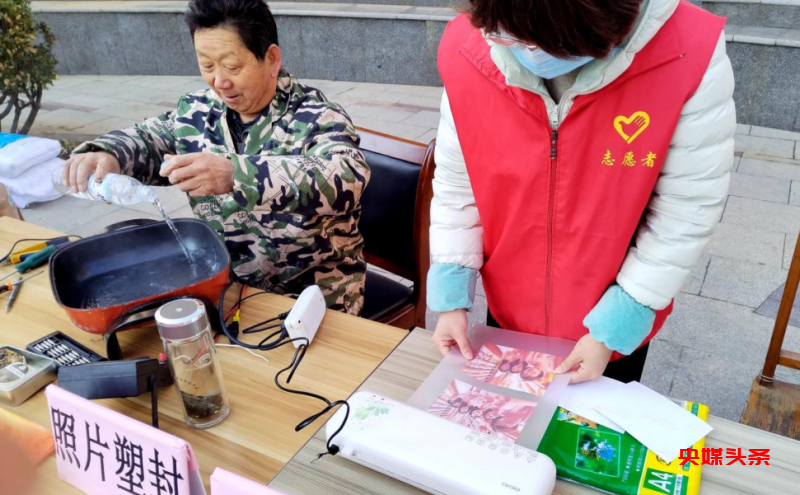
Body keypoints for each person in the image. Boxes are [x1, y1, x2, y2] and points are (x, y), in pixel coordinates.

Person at [428, 0, 735, 383]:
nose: (530, 51)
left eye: (546, 41)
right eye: (512, 37)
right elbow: (458, 183)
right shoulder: (470, 44)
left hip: (612, 317)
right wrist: (451, 299)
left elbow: (686, 209)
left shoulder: (688, 50)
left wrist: (614, 328)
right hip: (509, 307)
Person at [62, 0, 369, 315]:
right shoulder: (198, 111)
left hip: (313, 296)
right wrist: (108, 153)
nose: (220, 82)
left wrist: (236, 175)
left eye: (232, 67)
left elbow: (347, 176)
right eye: (207, 66)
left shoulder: (317, 117)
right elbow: (148, 138)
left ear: (271, 59)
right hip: (226, 287)